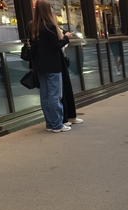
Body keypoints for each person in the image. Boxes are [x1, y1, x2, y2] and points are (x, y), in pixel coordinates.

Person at [30, 0, 73, 133]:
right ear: (47, 10)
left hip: (40, 66)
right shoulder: (50, 27)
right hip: (53, 66)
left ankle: (50, 123)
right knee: (55, 95)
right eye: (51, 8)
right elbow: (56, 47)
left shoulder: (34, 27)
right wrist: (66, 38)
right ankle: (57, 124)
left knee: (45, 96)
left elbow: (34, 50)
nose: (53, 10)